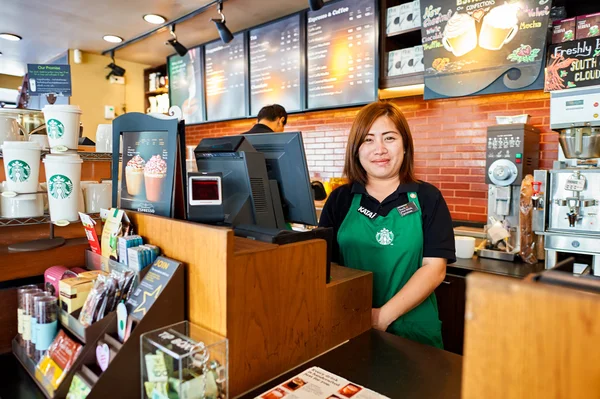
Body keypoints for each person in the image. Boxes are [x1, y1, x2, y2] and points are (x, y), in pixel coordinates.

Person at [318, 101, 455, 348]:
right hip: (349, 325)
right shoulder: (340, 199)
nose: (379, 149)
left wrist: (381, 316)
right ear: (356, 149)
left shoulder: (428, 197)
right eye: (368, 140)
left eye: (389, 138)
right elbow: (327, 266)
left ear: (405, 146)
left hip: (414, 333)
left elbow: (435, 269)